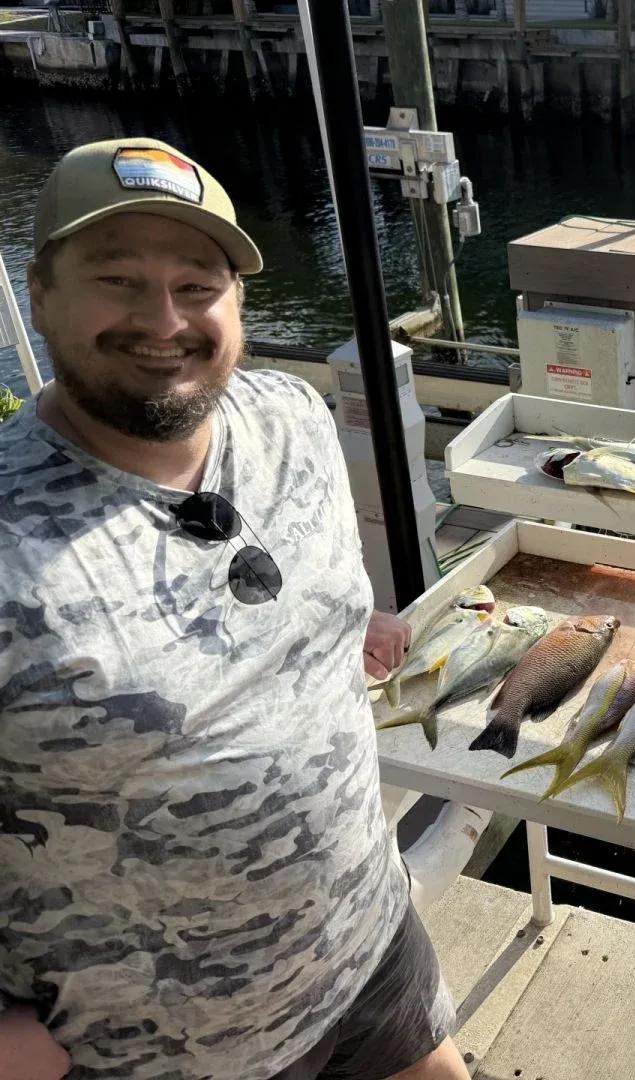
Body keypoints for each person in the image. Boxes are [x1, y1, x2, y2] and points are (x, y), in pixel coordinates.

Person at [0, 137, 469, 1080]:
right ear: (41, 292)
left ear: (238, 301)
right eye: (118, 279)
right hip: (157, 1047)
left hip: (368, 941)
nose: (163, 319)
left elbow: (312, 585)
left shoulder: (295, 416)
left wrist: (345, 624)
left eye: (197, 283)